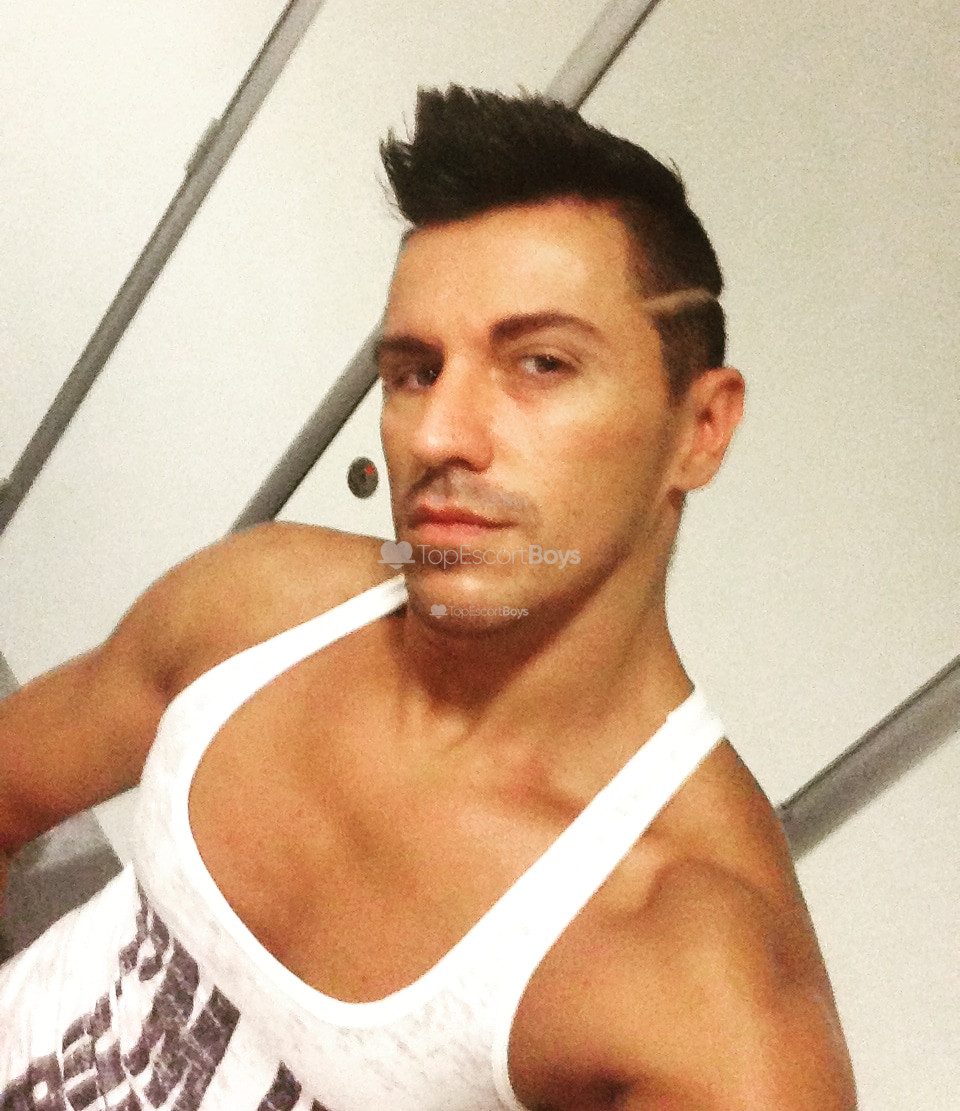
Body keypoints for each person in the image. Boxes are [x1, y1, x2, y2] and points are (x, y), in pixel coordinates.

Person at [0, 86, 856, 1109]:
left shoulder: (708, 995)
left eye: (541, 363)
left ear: (701, 428)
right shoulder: (260, 604)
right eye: (414, 371)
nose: (441, 433)